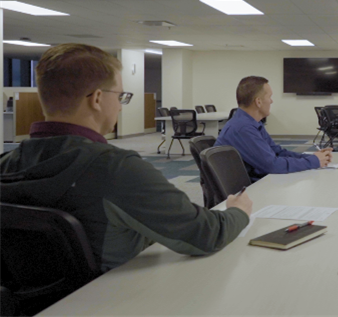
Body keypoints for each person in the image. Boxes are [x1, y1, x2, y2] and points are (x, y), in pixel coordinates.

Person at [0, 44, 253, 273]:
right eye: (120, 96)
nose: (121, 106)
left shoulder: (6, 163)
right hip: (112, 300)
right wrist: (238, 212)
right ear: (98, 99)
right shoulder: (116, 168)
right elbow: (207, 234)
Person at [216, 76, 332, 182]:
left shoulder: (252, 124)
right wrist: (313, 161)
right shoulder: (242, 128)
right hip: (245, 193)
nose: (272, 101)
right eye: (269, 97)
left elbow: (278, 152)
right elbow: (273, 165)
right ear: (258, 102)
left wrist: (312, 157)